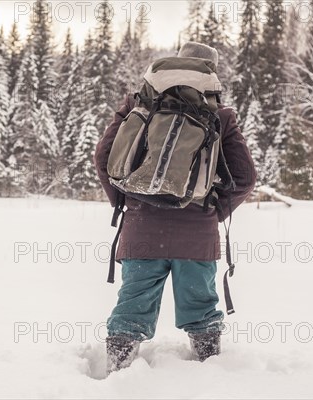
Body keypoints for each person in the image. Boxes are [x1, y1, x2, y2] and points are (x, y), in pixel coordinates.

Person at [93, 42, 257, 373]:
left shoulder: (139, 104)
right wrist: (211, 212)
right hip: (197, 235)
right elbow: (244, 178)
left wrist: (128, 204)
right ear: (210, 72)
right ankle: (211, 378)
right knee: (201, 311)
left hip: (141, 231)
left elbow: (104, 159)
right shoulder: (219, 115)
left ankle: (116, 378)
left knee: (131, 310)